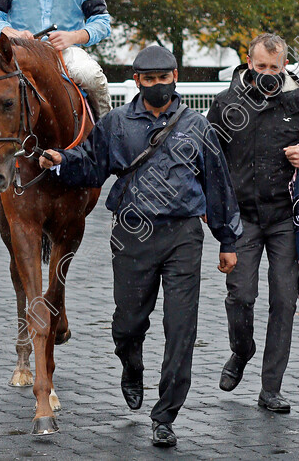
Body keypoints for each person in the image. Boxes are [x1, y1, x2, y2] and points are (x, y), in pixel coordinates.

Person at [39, 45, 242, 447]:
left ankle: (165, 415)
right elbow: (91, 163)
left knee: (181, 329)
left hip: (184, 235)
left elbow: (219, 184)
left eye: (163, 78)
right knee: (128, 325)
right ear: (136, 81)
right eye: (148, 80)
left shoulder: (197, 126)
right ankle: (131, 366)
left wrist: (228, 240)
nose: (156, 86)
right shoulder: (115, 123)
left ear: (175, 77)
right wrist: (59, 160)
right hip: (133, 236)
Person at [205, 33, 299, 414]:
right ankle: (241, 351)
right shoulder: (226, 104)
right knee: (241, 296)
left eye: (275, 68)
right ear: (248, 63)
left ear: (285, 67)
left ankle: (271, 388)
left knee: (284, 301)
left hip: (285, 219)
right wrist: (210, 210)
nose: (267, 74)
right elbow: (208, 157)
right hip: (242, 217)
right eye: (260, 67)